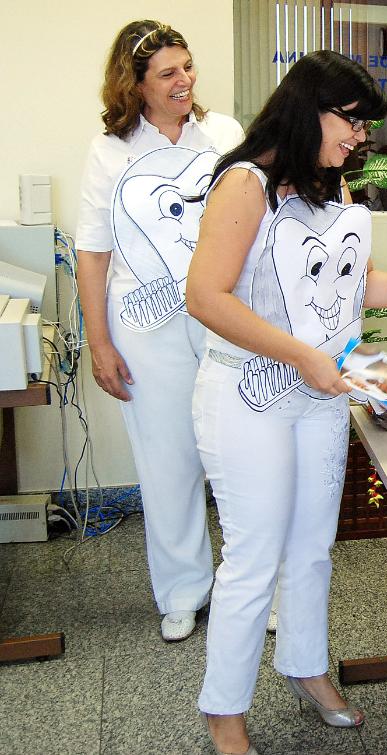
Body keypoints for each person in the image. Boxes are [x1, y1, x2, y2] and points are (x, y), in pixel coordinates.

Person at [185, 50, 387, 755]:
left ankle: (306, 666)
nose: (358, 139)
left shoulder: (330, 185)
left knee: (313, 547)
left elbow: (350, 282)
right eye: (350, 123)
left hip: (321, 389)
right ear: (306, 108)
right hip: (248, 393)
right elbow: (205, 297)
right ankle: (222, 708)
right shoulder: (244, 185)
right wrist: (302, 356)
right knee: (254, 554)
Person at [75, 19, 244, 643]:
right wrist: (99, 342)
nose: (185, 80)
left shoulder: (223, 134)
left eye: (188, 66)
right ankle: (182, 592)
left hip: (222, 314)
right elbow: (93, 251)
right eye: (168, 73)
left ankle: (252, 587)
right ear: (135, 84)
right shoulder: (110, 151)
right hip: (145, 325)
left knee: (241, 452)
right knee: (168, 460)